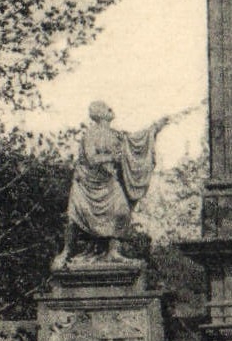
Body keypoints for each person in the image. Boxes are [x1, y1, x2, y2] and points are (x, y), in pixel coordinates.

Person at [52, 101, 168, 267]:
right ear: (99, 114)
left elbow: (136, 142)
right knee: (75, 217)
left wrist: (155, 128)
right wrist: (113, 157)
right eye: (107, 108)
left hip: (108, 181)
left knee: (122, 211)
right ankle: (67, 251)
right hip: (86, 183)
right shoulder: (90, 134)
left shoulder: (117, 135)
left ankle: (113, 252)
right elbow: (91, 158)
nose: (111, 109)